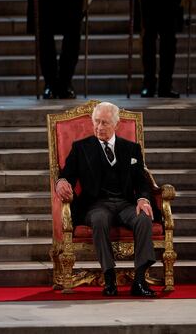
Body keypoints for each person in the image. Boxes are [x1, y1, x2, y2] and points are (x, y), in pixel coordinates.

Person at [55, 101, 156, 297]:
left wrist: (143, 199)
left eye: (105, 123)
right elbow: (66, 174)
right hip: (96, 205)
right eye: (96, 122)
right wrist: (61, 182)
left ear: (116, 125)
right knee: (99, 220)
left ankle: (140, 280)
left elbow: (142, 182)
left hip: (126, 204)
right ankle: (109, 279)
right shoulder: (81, 148)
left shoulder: (132, 149)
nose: (99, 127)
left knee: (144, 218)